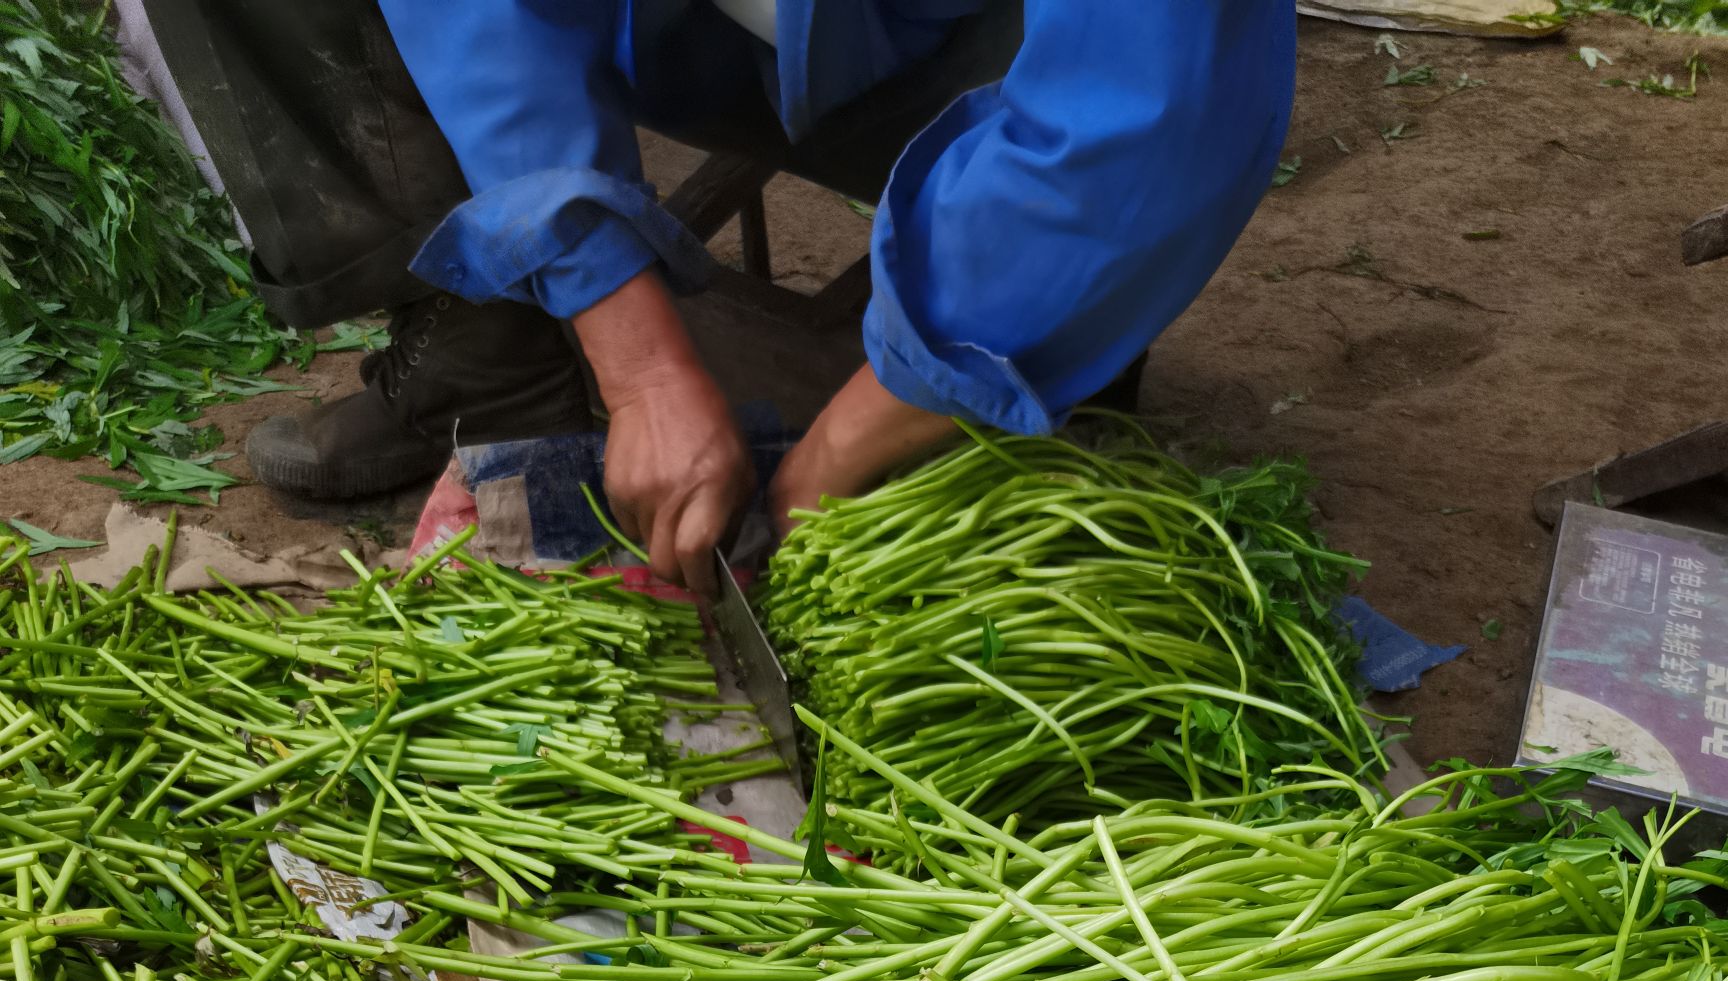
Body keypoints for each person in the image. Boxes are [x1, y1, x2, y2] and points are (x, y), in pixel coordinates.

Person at [138, 1, 1294, 591]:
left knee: (1047, 306)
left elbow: (1161, 99)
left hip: (966, 53)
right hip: (688, 32)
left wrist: (825, 468)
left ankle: (988, 330)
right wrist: (632, 356)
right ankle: (499, 343)